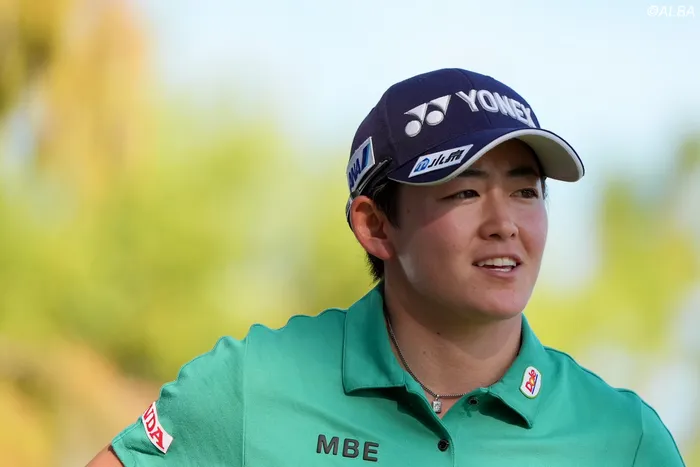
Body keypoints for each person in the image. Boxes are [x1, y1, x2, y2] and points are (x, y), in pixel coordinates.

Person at [87, 68, 686, 466]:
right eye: (464, 191)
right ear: (375, 226)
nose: (505, 223)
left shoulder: (623, 438)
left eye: (526, 191)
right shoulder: (250, 385)